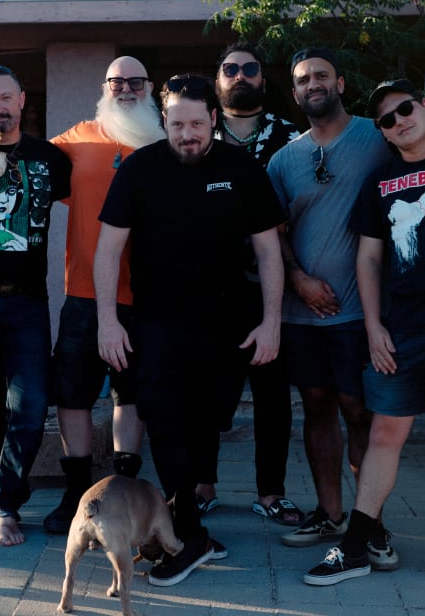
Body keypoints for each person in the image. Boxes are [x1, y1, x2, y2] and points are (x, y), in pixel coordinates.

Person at [270, 48, 425, 568]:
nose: (398, 121)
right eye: (388, 118)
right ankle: (346, 531)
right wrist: (365, 318)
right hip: (385, 324)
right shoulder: (325, 167)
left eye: (405, 110)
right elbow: (359, 254)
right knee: (355, 421)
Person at [95, 74, 284, 587]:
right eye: (178, 124)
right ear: (164, 122)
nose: (188, 134)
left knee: (207, 424)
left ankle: (189, 524)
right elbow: (109, 250)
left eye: (198, 123)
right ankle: (188, 535)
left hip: (228, 324)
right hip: (157, 323)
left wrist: (271, 323)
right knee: (164, 419)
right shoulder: (139, 170)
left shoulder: (241, 169)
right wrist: (107, 321)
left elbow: (269, 251)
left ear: (214, 120)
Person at [42, 56, 165, 535]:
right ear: (105, 86)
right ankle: (76, 494)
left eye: (136, 81)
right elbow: (23, 159)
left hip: (147, 296)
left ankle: (122, 491)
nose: (127, 89)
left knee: (130, 395)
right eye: (118, 82)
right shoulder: (77, 139)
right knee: (72, 395)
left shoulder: (164, 139)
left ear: (149, 87)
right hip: (85, 293)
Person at [0, 65, 72, 546]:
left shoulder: (52, 157)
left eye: (6, 97)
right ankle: (0, 504)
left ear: (23, 100)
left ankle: (5, 501)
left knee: (29, 409)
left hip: (28, 304)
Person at [196, 42, 303, 523]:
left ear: (263, 78)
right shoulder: (197, 133)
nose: (240, 75)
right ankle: (201, 486)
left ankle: (270, 492)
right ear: (217, 79)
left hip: (271, 281)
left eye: (250, 69)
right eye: (230, 68)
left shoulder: (292, 136)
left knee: (272, 393)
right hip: (210, 284)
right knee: (206, 391)